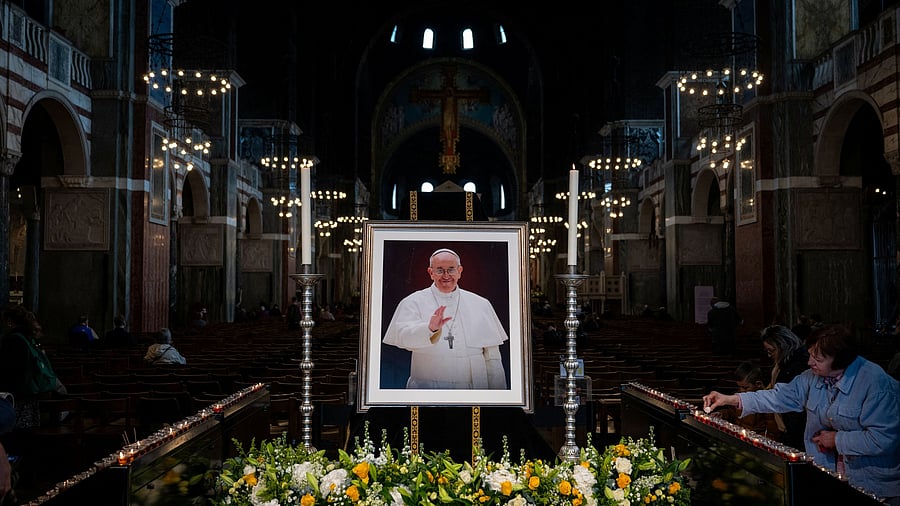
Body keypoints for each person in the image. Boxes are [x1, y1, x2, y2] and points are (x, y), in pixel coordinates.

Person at [703, 324, 900, 503]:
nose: (809, 362)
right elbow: (778, 397)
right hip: (829, 476)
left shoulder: (877, 385)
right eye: (810, 354)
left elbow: (884, 438)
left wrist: (837, 440)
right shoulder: (812, 377)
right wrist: (730, 399)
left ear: (841, 361)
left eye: (818, 358)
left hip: (873, 484)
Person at [383, 248, 508, 389]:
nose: (446, 275)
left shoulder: (480, 304)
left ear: (460, 271)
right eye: (440, 270)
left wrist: (498, 397)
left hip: (472, 389)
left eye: (451, 269)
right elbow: (402, 337)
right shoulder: (413, 302)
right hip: (427, 389)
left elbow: (493, 358)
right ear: (431, 273)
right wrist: (430, 329)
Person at [0, 304, 67, 429]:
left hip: (18, 395)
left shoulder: (13, 341)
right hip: (31, 393)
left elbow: (10, 370)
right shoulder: (27, 338)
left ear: (9, 322)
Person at [761, 324, 810, 449]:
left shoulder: (797, 366)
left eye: (771, 351)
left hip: (800, 429)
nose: (769, 355)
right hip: (791, 426)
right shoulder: (784, 365)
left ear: (782, 346)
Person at [717, 361, 779, 438]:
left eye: (745, 388)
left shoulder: (766, 402)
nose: (741, 390)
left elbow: (772, 432)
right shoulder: (739, 397)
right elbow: (732, 413)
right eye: (739, 387)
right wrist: (721, 414)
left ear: (758, 384)